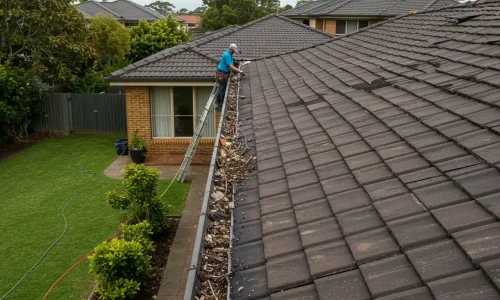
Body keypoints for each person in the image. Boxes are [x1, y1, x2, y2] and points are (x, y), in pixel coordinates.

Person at [216, 44, 244, 111]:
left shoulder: (228, 53)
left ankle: (219, 102)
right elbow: (231, 67)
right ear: (231, 49)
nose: (234, 52)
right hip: (222, 73)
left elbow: (230, 60)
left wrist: (234, 61)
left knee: (221, 87)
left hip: (222, 72)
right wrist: (239, 71)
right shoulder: (227, 55)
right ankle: (221, 105)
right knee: (222, 88)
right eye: (233, 51)